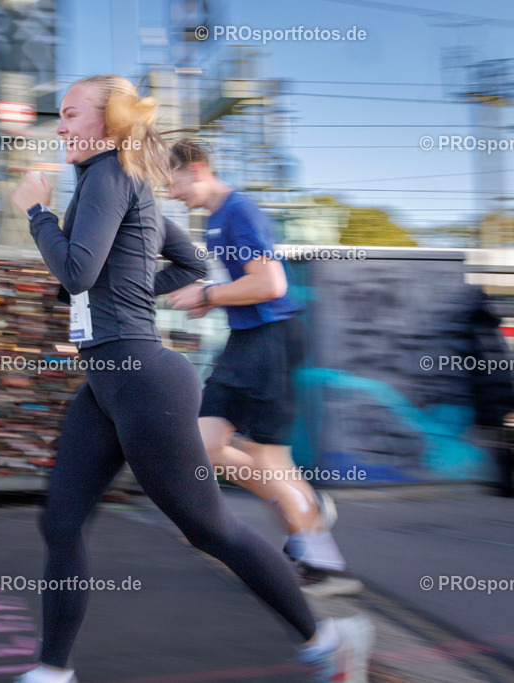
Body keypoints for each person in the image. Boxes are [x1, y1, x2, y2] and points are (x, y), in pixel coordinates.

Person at [9, 75, 373, 683]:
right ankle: (53, 671)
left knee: (210, 529)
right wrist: (118, 301)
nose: (61, 124)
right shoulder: (116, 184)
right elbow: (191, 263)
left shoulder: (107, 177)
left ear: (107, 122)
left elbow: (75, 272)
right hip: (109, 380)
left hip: (145, 381)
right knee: (61, 521)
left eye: (71, 113)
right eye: (60, 115)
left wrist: (35, 211)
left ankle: (328, 640)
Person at [165, 139, 362, 597]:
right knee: (206, 446)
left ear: (195, 170)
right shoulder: (216, 220)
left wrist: (207, 296)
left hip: (271, 341)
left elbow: (270, 283)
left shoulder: (239, 211)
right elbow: (246, 287)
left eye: (172, 182)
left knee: (267, 458)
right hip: (246, 341)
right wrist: (211, 301)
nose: (172, 193)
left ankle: (319, 557)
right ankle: (302, 504)